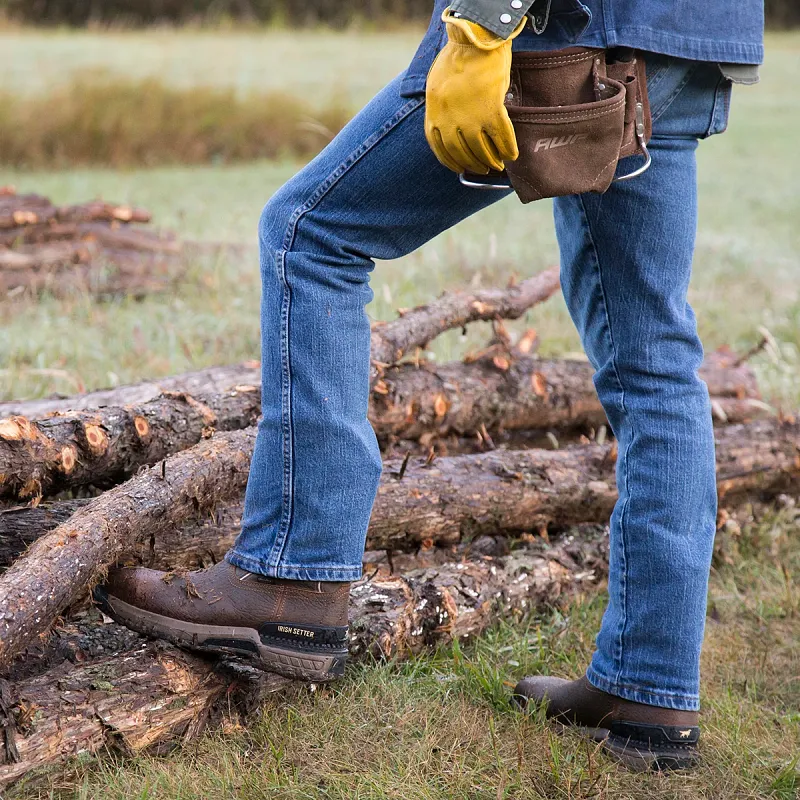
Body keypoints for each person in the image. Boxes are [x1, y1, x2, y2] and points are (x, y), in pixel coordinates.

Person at [96, 0, 764, 771]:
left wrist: (482, 24)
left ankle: (292, 576)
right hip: (689, 39)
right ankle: (652, 681)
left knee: (312, 235)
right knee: (654, 362)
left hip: (565, 26)